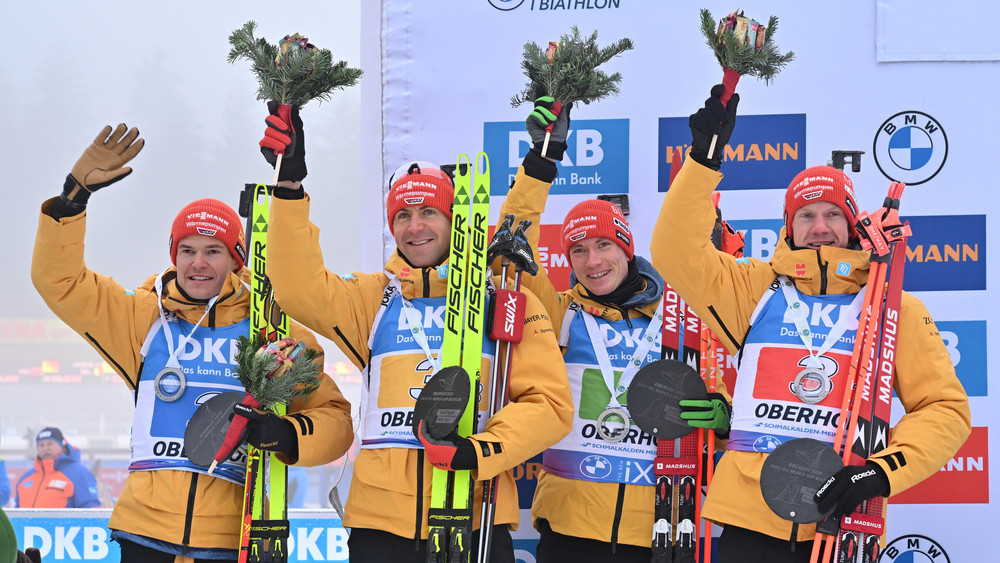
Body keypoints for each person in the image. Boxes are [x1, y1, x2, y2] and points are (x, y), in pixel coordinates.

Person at [650, 85, 971, 562]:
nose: (819, 227)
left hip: (841, 524)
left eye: (831, 215)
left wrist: (881, 473)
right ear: (788, 225)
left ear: (852, 224)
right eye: (806, 215)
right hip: (748, 519)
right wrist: (701, 162)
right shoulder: (754, 288)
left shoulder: (891, 306)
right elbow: (675, 252)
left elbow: (945, 410)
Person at [257, 105, 574, 562]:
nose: (415, 226)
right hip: (380, 523)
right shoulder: (373, 298)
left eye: (428, 211)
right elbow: (297, 289)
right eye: (402, 216)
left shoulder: (500, 296)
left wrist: (479, 452)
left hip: (473, 509)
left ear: (453, 220)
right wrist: (288, 188)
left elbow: (549, 404)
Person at [31, 124, 354, 562]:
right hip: (144, 529)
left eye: (213, 251)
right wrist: (72, 201)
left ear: (236, 260)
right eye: (187, 250)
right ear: (173, 256)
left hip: (232, 537)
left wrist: (288, 434)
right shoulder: (142, 316)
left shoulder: (276, 331)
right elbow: (60, 282)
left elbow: (335, 421)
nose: (198, 263)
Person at [493, 97, 731, 561]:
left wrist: (720, 416)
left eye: (604, 245)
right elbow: (509, 248)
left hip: (661, 528)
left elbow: (717, 406)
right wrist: (540, 163)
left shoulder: (680, 320)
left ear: (627, 249)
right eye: (578, 250)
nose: (593, 261)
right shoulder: (558, 315)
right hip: (571, 529)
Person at [14, 427, 100, 509]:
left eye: (50, 444)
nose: (45, 448)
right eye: (41, 445)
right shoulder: (26, 478)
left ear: (62, 446)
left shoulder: (79, 474)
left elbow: (91, 509)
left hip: (64, 524)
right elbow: (16, 513)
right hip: (26, 525)